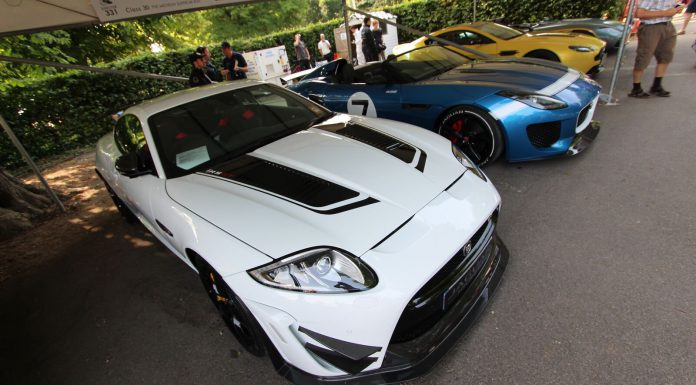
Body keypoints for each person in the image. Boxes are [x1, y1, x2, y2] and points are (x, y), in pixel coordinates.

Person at [629, 0, 684, 98]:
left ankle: (657, 85)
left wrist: (677, 7)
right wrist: (666, 13)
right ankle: (636, 88)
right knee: (644, 57)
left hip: (667, 25)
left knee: (666, 56)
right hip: (651, 27)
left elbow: (669, 6)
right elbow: (639, 13)